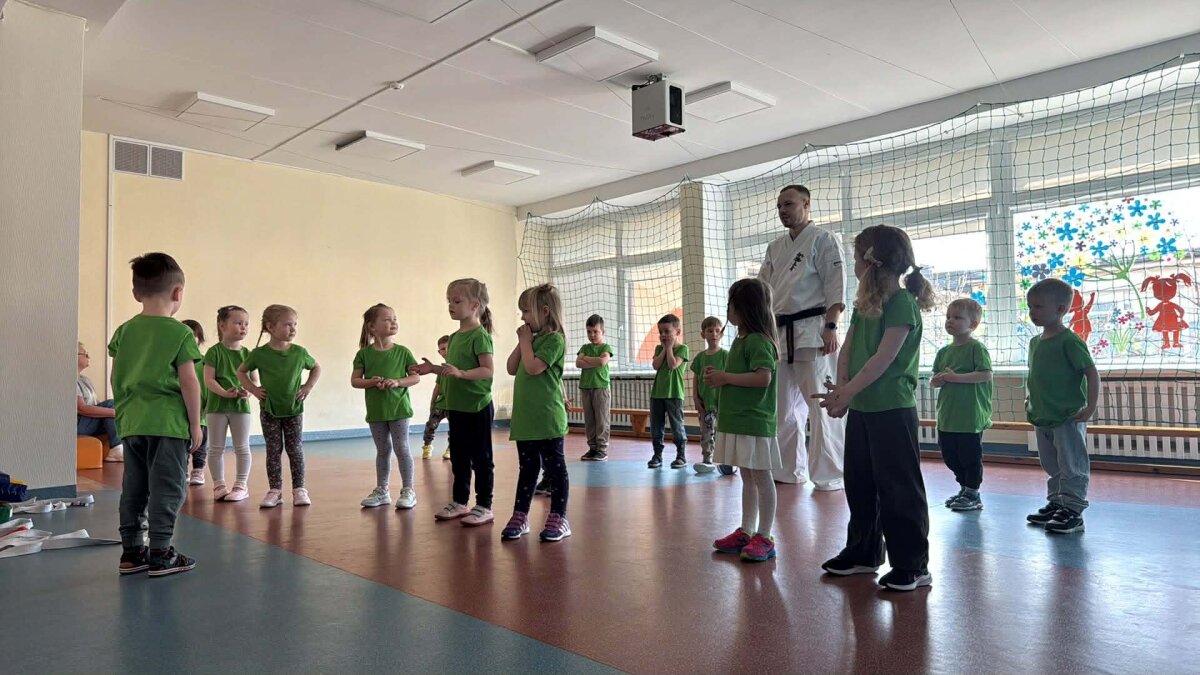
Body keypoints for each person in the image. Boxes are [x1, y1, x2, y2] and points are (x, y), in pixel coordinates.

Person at [815, 225, 935, 591]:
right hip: (863, 408)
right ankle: (863, 553)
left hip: (892, 409)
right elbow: (848, 351)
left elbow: (884, 358)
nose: (853, 265)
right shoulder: (864, 305)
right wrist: (842, 391)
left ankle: (913, 565)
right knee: (860, 483)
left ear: (871, 263)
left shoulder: (901, 304)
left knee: (899, 488)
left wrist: (848, 392)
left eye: (855, 258)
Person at [110, 252, 203, 577]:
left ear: (136, 293)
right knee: (168, 487)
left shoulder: (124, 331)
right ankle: (161, 553)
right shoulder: (180, 333)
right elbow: (189, 382)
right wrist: (195, 424)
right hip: (168, 425)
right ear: (178, 292)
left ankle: (132, 552)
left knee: (134, 488)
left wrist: (124, 413)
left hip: (132, 423)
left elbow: (117, 376)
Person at [758, 185, 846, 490]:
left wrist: (831, 326)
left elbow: (836, 285)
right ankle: (787, 471)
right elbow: (763, 290)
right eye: (779, 206)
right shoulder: (774, 248)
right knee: (783, 409)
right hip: (779, 333)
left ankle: (830, 474)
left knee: (822, 405)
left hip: (813, 330)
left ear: (806, 204)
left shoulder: (823, 239)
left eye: (789, 204)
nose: (783, 210)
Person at [411, 279, 497, 527]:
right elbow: (451, 369)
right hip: (457, 407)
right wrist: (433, 369)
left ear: (475, 305)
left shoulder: (480, 336)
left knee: (481, 458)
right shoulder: (455, 337)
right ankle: (460, 501)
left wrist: (462, 374)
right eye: (449, 301)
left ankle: (484, 505)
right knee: (459, 456)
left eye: (457, 301)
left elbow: (487, 370)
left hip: (477, 406)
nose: (451, 305)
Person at [708, 280, 781, 562]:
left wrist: (725, 377)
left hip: (755, 422)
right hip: (738, 421)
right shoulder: (740, 341)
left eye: (732, 305)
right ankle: (747, 531)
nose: (728, 310)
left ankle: (765, 535)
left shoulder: (759, 341)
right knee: (747, 476)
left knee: (761, 476)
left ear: (745, 308)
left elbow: (763, 378)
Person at [1023, 278, 1100, 535]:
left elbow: (1091, 373)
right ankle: (1057, 502)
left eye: (1038, 307)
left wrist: (1090, 406)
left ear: (1060, 309)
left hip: (1067, 415)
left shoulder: (1070, 341)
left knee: (1072, 465)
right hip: (1042, 415)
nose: (1032, 312)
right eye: (1030, 307)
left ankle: (1073, 510)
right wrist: (1031, 399)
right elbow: (1037, 375)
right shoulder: (1035, 342)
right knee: (1051, 463)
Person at [502, 284, 571, 542]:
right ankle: (520, 515)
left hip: (547, 418)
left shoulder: (555, 340)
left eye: (526, 311)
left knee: (555, 469)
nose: (522, 317)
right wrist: (523, 342)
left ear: (544, 311)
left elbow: (533, 368)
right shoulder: (531, 340)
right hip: (526, 420)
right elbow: (511, 368)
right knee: (528, 468)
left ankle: (559, 517)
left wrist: (525, 342)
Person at [238, 304, 321, 509]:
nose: (293, 329)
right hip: (269, 410)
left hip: (293, 409)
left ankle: (299, 489)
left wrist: (307, 387)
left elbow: (316, 367)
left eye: (295, 325)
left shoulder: (299, 352)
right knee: (273, 450)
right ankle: (275, 491)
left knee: (295, 449)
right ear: (270, 327)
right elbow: (241, 372)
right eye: (287, 325)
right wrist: (253, 389)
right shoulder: (259, 354)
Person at [930, 298, 993, 512]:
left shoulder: (977, 348)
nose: (950, 321)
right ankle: (964, 488)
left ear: (972, 324)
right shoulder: (943, 352)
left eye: (957, 317)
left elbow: (985, 375)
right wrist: (938, 380)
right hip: (948, 415)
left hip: (970, 416)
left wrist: (956, 378)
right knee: (950, 455)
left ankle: (973, 493)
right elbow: (935, 379)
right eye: (948, 317)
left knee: (970, 456)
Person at [355, 303, 420, 510]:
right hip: (376, 411)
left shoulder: (403, 352)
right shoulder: (364, 354)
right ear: (372, 327)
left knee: (402, 447)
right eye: (387, 319)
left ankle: (408, 490)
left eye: (394, 318)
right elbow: (355, 381)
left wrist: (398, 382)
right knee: (382, 450)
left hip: (399, 409)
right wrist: (371, 382)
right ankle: (382, 490)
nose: (393, 322)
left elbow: (415, 377)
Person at [201, 306, 254, 501]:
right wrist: (224, 393)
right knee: (216, 448)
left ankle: (241, 485)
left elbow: (254, 381)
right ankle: (219, 485)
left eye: (246, 323)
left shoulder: (248, 354)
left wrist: (248, 392)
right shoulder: (214, 352)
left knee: (242, 447)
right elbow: (209, 380)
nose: (243, 327)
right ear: (222, 326)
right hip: (216, 407)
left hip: (241, 408)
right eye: (238, 323)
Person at [648, 314, 689, 469]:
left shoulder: (683, 349)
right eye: (661, 332)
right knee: (656, 426)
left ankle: (681, 455)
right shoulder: (659, 349)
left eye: (667, 331)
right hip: (657, 394)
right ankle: (657, 455)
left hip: (674, 394)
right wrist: (665, 349)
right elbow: (656, 365)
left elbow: (673, 365)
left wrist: (670, 348)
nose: (663, 335)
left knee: (677, 425)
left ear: (677, 332)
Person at [690, 317, 729, 474]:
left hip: (722, 403)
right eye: (710, 331)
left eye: (717, 331)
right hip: (705, 403)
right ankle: (707, 459)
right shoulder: (700, 357)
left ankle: (727, 461)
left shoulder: (726, 355)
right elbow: (695, 378)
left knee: (724, 432)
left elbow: (729, 376)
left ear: (721, 334)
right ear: (703, 334)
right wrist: (695, 397)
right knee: (706, 433)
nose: (714, 334)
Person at [76, 342, 124, 463]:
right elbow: (81, 408)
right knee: (111, 405)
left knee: (113, 408)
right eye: (85, 354)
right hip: (78, 423)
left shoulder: (85, 380)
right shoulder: (70, 380)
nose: (88, 357)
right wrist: (114, 412)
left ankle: (121, 447)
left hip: (89, 422)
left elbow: (96, 404)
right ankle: (116, 447)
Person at [576, 314, 614, 462]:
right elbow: (578, 363)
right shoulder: (584, 347)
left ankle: (602, 449)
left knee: (602, 419)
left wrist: (585, 359)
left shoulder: (605, 347)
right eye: (589, 332)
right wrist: (593, 361)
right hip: (586, 387)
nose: (592, 335)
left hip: (601, 388)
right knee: (590, 420)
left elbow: (602, 362)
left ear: (603, 332)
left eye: (595, 331)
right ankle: (592, 448)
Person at [180, 321, 209, 484]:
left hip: (202, 410)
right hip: (181, 410)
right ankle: (182, 469)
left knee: (201, 442)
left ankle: (198, 469)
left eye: (194, 336)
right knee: (183, 442)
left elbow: (209, 384)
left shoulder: (205, 362)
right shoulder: (177, 362)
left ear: (199, 338)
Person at [419, 335, 452, 461]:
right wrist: (432, 402)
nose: (445, 351)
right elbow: (437, 387)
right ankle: (427, 446)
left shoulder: (458, 366)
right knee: (431, 426)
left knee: (455, 429)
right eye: (442, 349)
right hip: (440, 404)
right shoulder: (441, 368)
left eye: (448, 348)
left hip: (454, 405)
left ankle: (451, 448)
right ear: (439, 352)